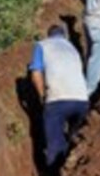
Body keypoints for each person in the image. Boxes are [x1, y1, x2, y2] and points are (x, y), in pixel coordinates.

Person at [28, 24, 91, 166]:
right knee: (76, 137)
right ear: (64, 36)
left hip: (57, 100)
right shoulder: (72, 48)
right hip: (82, 100)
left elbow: (36, 74)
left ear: (48, 35)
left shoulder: (42, 45)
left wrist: (42, 96)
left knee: (55, 143)